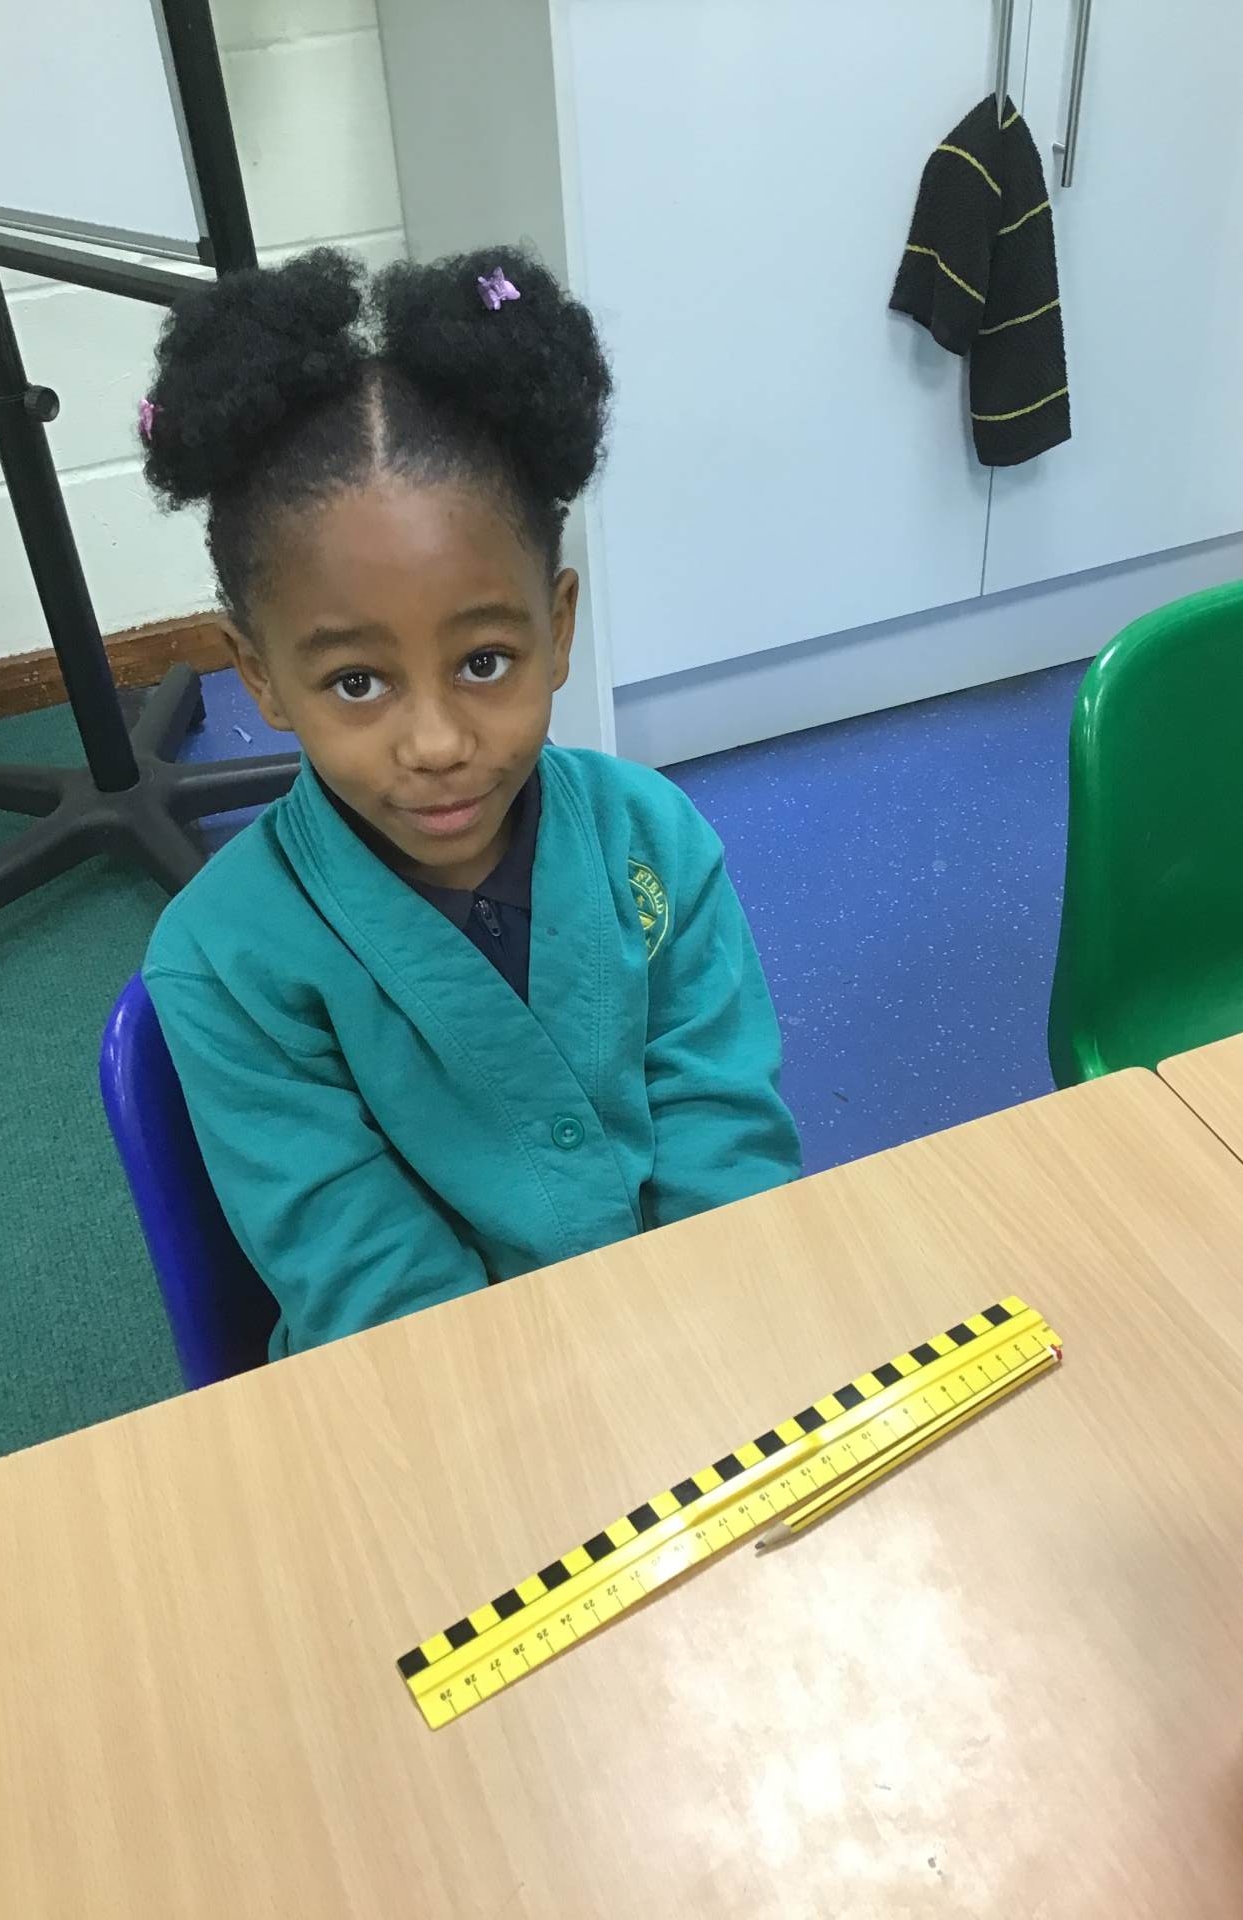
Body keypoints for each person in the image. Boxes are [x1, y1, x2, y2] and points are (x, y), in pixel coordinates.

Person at [139, 246, 801, 1357]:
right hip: (444, 1400)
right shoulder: (222, 963)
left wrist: (707, 1345)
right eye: (358, 682)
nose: (439, 745)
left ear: (559, 628)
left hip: (704, 1346)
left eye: (485, 662)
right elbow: (369, 1280)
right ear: (259, 676)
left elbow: (724, 1138)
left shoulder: (656, 841)